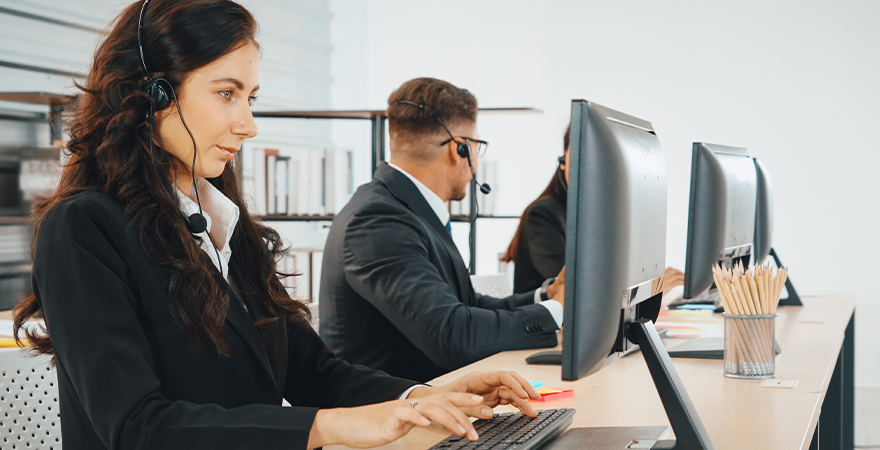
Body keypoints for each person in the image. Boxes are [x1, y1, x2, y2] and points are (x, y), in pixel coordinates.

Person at [11, 2, 542, 449]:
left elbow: (312, 371)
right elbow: (135, 426)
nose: (248, 123)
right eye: (226, 93)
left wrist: (426, 395)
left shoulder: (219, 224)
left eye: (251, 97)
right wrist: (327, 425)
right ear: (154, 95)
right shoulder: (82, 227)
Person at [319, 77, 566, 383]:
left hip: (432, 404)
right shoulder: (376, 220)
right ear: (458, 149)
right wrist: (557, 311)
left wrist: (545, 296)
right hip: (391, 417)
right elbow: (452, 334)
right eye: (477, 147)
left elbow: (465, 305)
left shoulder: (409, 209)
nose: (476, 159)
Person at [503, 126, 685, 295]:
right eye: (580, 155)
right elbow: (579, 289)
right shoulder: (543, 215)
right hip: (545, 327)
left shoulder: (594, 216)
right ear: (563, 161)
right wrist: (654, 287)